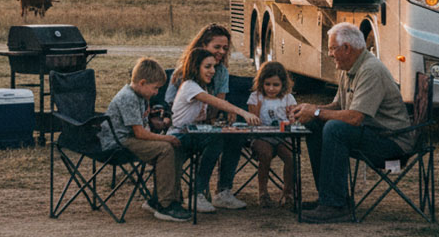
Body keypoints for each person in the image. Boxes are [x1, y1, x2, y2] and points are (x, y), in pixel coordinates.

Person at [288, 23, 415, 224]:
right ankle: (328, 198)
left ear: (347, 48)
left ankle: (335, 206)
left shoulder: (370, 70)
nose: (329, 54)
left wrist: (317, 112)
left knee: (334, 128)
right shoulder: (349, 67)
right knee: (315, 124)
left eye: (332, 48)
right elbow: (338, 105)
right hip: (373, 134)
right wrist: (310, 109)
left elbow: (355, 118)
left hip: (392, 143)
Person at [98, 57, 192, 222]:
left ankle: (161, 198)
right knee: (166, 148)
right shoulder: (128, 97)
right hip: (118, 141)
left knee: (175, 147)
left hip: (130, 137)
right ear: (142, 83)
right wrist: (167, 138)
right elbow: (139, 134)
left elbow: (141, 126)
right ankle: (165, 204)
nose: (157, 92)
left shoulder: (140, 95)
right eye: (155, 88)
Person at [168, 47, 261, 212]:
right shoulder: (190, 86)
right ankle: (197, 194)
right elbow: (217, 102)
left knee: (234, 137)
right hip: (179, 135)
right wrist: (241, 112)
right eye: (207, 67)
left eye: (213, 67)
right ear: (195, 67)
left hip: (193, 134)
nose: (212, 71)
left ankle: (223, 191)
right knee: (216, 139)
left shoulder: (202, 86)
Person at [247, 61, 297, 208]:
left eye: (276, 85)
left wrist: (292, 118)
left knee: (291, 157)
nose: (271, 88)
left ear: (283, 85)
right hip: (262, 136)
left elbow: (292, 119)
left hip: (282, 137)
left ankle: (288, 192)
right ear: (261, 82)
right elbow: (253, 120)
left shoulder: (288, 98)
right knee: (265, 154)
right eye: (267, 84)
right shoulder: (256, 97)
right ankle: (263, 193)